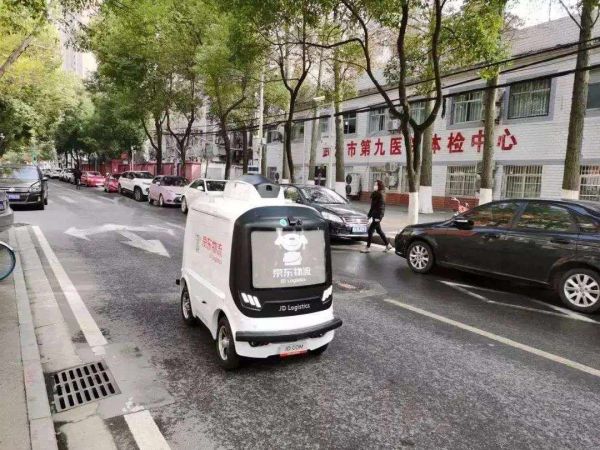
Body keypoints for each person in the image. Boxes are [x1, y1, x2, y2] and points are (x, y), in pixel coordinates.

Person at [361, 179, 393, 253]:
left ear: (379, 186)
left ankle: (368, 247)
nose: (374, 186)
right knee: (379, 231)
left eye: (376, 185)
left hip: (377, 216)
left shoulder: (380, 194)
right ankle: (388, 245)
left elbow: (381, 208)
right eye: (374, 184)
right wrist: (369, 215)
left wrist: (379, 217)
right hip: (375, 215)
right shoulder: (376, 194)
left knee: (370, 231)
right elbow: (373, 206)